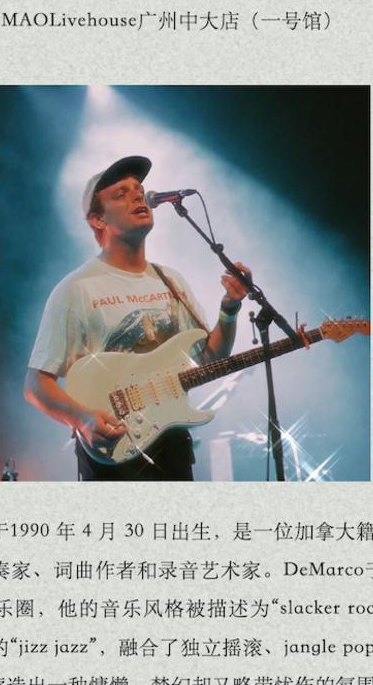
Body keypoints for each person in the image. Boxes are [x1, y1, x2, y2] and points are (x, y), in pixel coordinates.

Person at [25, 151, 250, 479]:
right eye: (121, 193)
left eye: (139, 190)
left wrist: (229, 309)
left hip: (173, 444)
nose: (137, 196)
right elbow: (36, 385)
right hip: (111, 449)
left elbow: (209, 359)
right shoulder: (76, 289)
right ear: (98, 220)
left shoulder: (171, 280)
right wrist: (82, 419)